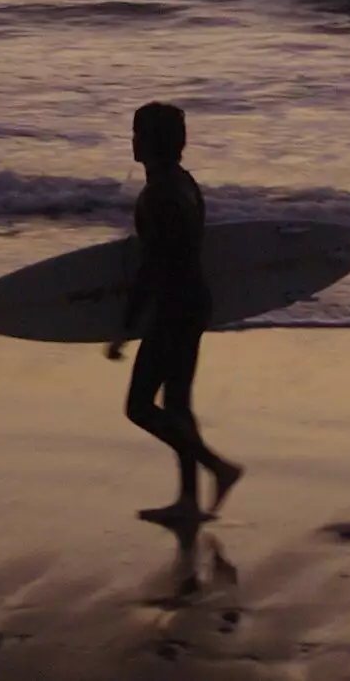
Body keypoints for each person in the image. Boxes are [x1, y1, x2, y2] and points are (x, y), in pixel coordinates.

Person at [107, 102, 242, 523]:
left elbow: (154, 266)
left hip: (173, 309)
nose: (132, 140)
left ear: (151, 142)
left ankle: (217, 466)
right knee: (178, 405)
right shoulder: (184, 183)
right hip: (194, 304)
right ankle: (188, 500)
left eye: (138, 133)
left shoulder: (157, 195)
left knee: (140, 407)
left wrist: (126, 325)